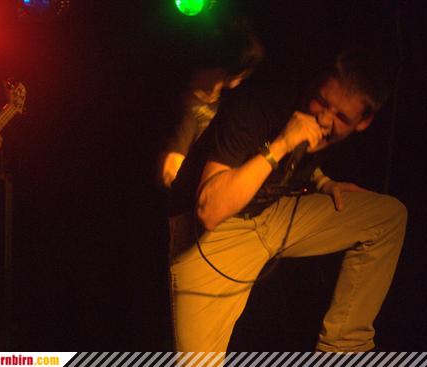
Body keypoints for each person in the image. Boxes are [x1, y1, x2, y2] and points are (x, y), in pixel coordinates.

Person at [168, 48, 407, 353]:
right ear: (318, 83)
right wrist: (281, 145)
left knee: (387, 217)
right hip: (213, 235)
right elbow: (210, 210)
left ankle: (342, 348)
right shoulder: (260, 102)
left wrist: (323, 181)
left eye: (341, 117)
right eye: (322, 102)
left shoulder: (330, 124)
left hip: (271, 214)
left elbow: (301, 157)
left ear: (363, 121)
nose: (324, 119)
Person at [159, 20, 265, 188]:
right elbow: (170, 170)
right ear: (223, 71)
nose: (245, 78)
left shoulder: (222, 99)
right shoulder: (189, 107)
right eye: (243, 73)